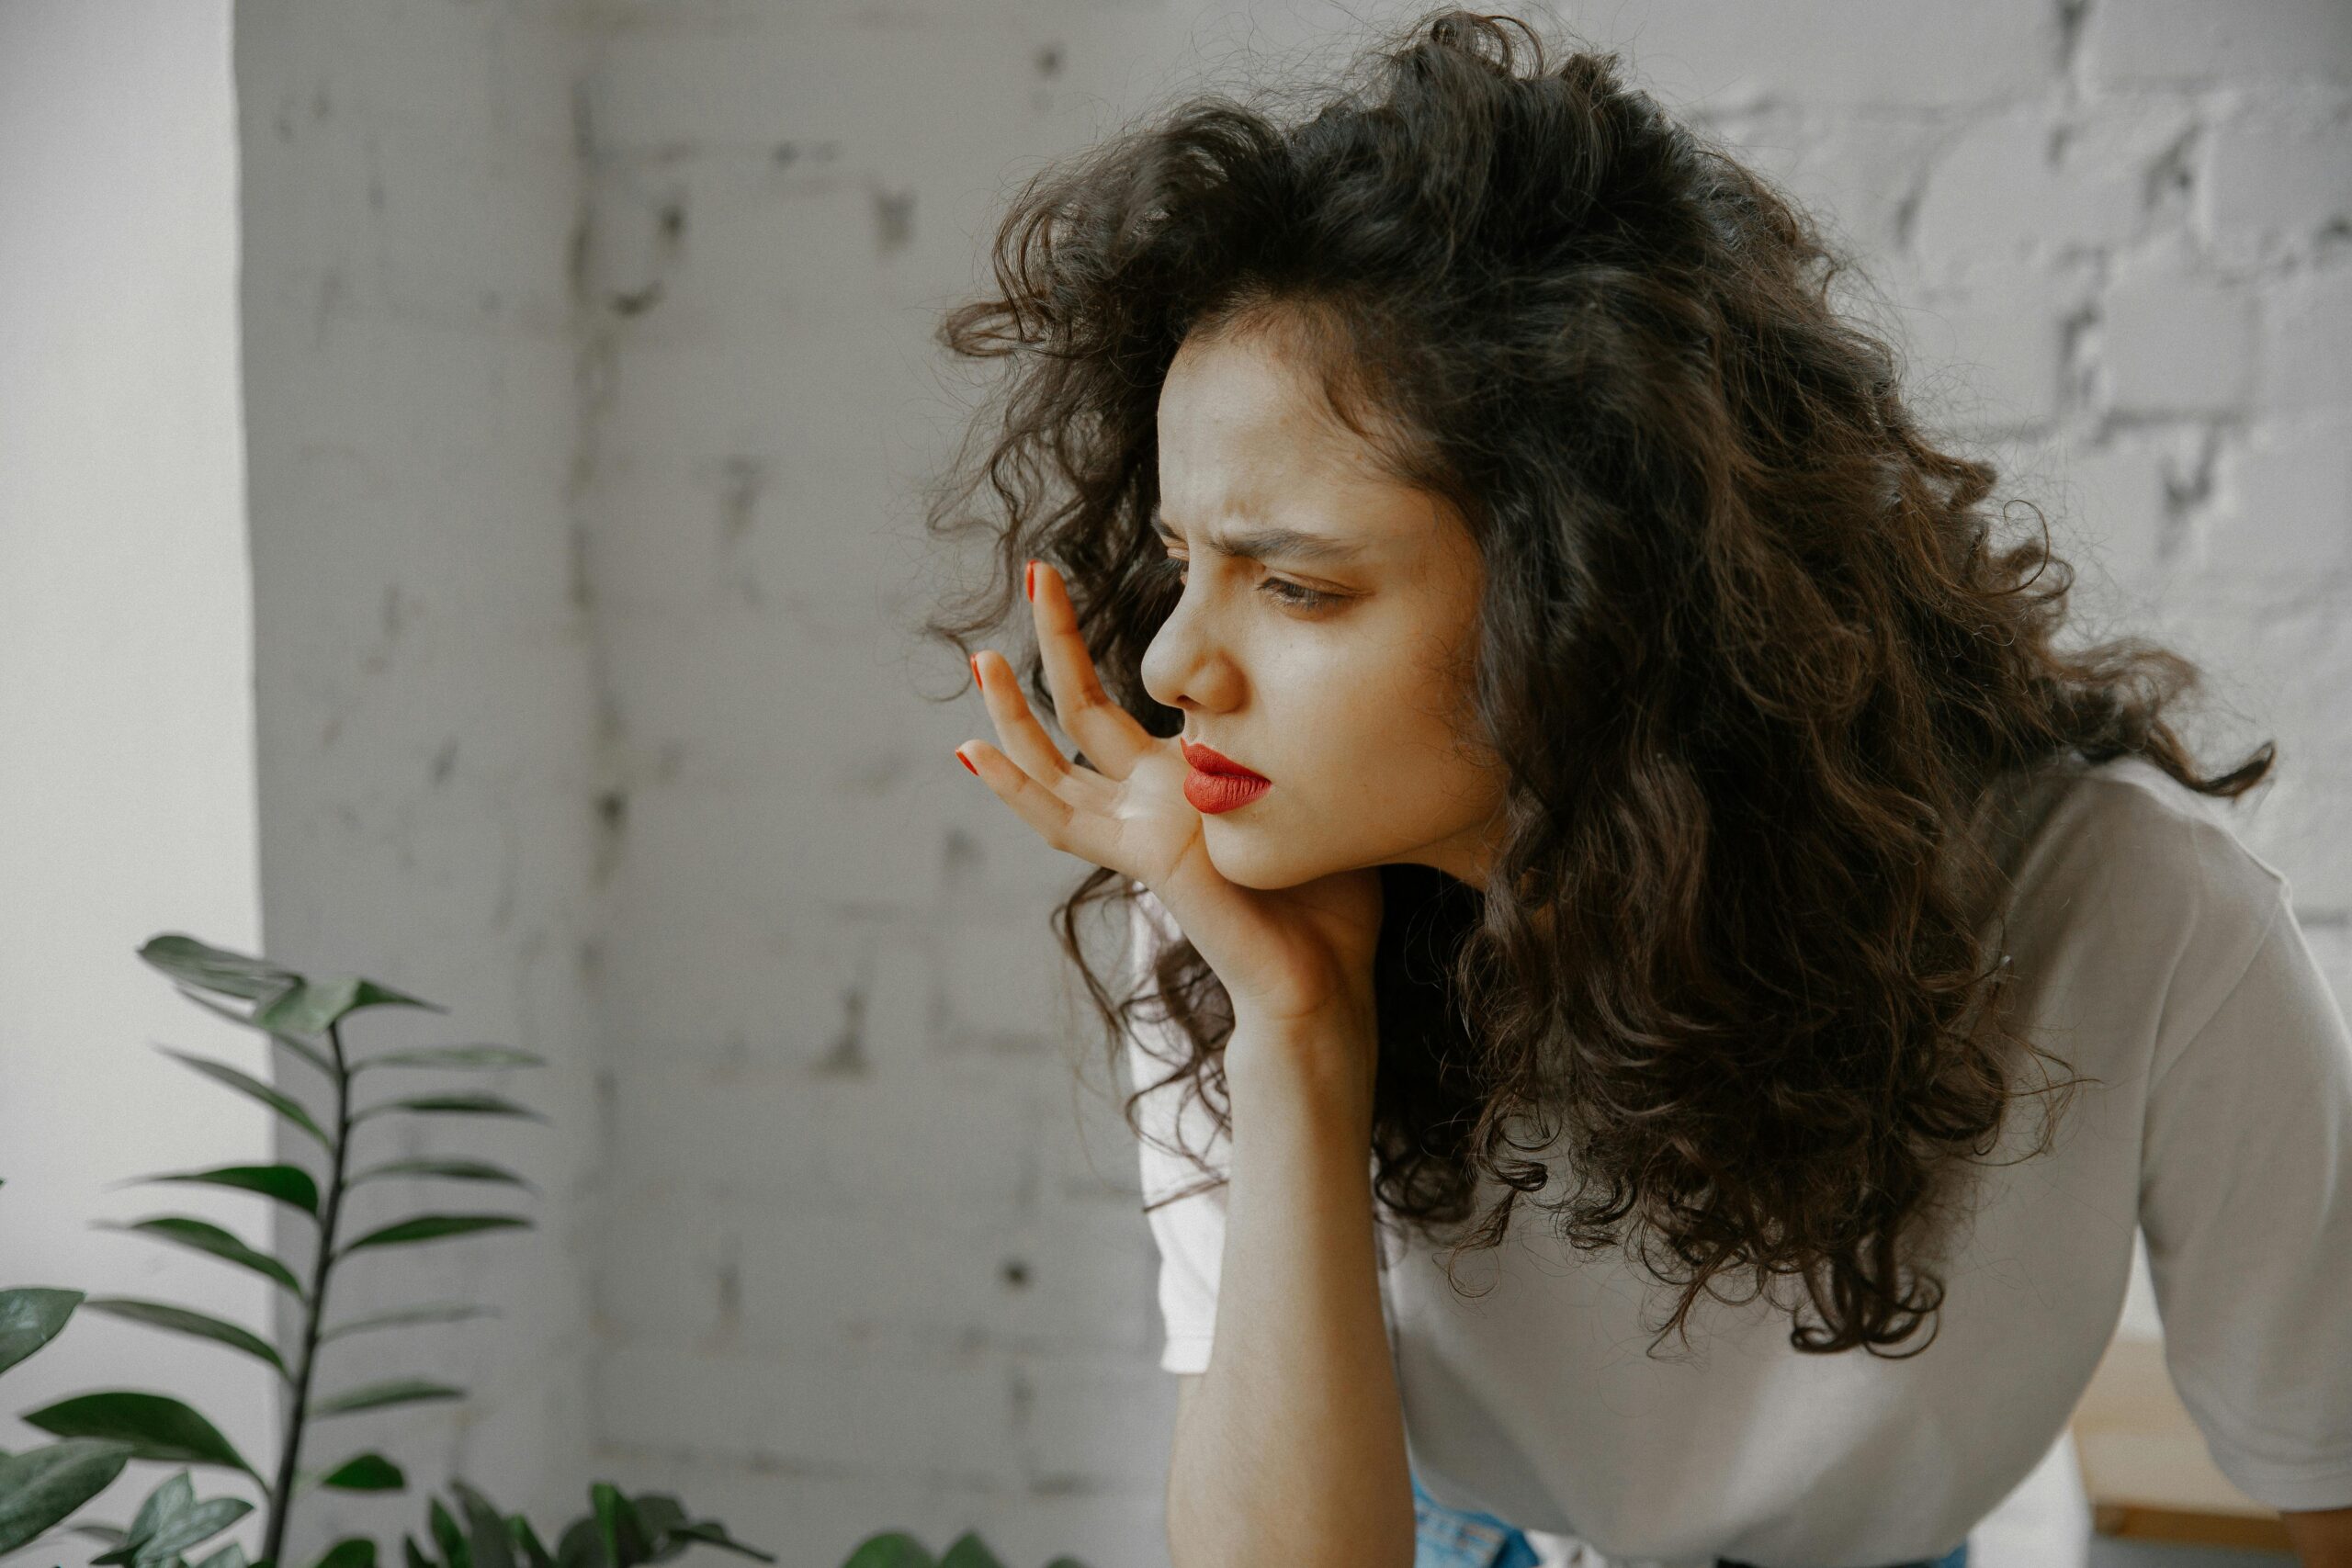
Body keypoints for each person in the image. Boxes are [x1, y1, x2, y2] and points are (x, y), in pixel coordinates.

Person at [920, 11, 2352, 1567]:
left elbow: (2326, 1463)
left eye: (1301, 588)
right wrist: (1299, 1030)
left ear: (1593, 590)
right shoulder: (1235, 894)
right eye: (1188, 559)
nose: (1176, 667)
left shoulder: (2130, 912)